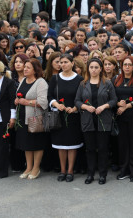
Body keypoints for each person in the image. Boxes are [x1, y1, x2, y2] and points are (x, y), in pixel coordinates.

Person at [75, 58, 117, 185]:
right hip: (88, 120)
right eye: (91, 67)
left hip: (103, 120)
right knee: (90, 149)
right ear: (88, 69)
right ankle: (90, 174)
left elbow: (114, 100)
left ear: (100, 69)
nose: (93, 70)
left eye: (96, 67)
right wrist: (85, 107)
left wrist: (104, 106)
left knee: (103, 148)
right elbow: (77, 101)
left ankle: (103, 174)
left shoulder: (107, 83)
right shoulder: (83, 84)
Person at [48, 54, 83, 182]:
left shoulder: (79, 79)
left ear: (72, 63)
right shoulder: (55, 78)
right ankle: (62, 170)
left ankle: (70, 170)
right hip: (59, 115)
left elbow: (83, 97)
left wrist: (75, 108)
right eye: (61, 62)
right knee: (61, 144)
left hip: (74, 116)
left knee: (72, 144)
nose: (63, 64)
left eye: (66, 62)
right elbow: (49, 95)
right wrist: (56, 104)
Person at [16, 58, 49, 180]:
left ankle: (36, 168)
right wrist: (17, 100)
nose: (24, 69)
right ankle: (28, 167)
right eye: (24, 67)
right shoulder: (23, 80)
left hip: (35, 118)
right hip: (23, 117)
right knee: (26, 143)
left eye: (28, 67)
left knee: (36, 144)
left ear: (35, 70)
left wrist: (26, 102)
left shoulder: (41, 82)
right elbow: (19, 95)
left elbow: (43, 102)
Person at [113, 56, 133, 182]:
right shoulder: (116, 79)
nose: (127, 67)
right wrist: (117, 103)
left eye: (129, 65)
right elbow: (111, 96)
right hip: (120, 117)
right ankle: (124, 170)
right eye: (125, 64)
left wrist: (127, 106)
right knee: (122, 144)